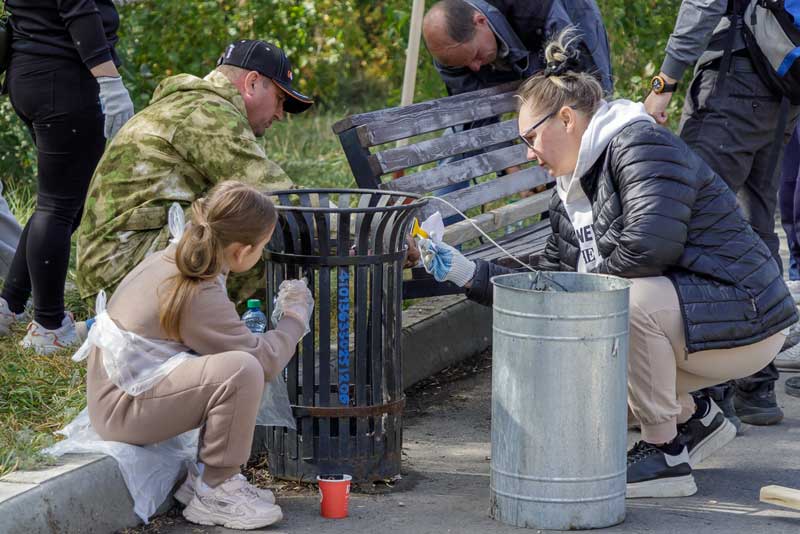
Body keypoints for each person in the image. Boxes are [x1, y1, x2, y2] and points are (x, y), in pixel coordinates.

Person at [407, 29, 796, 498]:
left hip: (745, 316)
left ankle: (666, 453)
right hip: (698, 322)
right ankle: (696, 419)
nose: (529, 155)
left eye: (531, 138)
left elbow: (650, 248)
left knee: (619, 306)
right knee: (589, 353)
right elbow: (548, 280)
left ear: (566, 118)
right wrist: (465, 271)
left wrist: (575, 301)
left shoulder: (640, 146)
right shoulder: (571, 190)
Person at [85, 181, 313, 529]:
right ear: (241, 252)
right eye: (262, 248)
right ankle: (216, 489)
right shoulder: (195, 288)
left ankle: (203, 481)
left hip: (118, 396)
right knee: (242, 370)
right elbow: (263, 360)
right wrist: (295, 318)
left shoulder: (179, 257)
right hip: (122, 410)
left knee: (237, 364)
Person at [644, 0, 800, 427]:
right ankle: (755, 384)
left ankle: (706, 391)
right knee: (755, 225)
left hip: (736, 79)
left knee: (690, 221)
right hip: (782, 83)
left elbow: (703, 3)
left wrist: (665, 79)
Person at [75, 39, 312, 316]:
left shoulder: (195, 104)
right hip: (122, 276)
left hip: (117, 267)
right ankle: (246, 324)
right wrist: (354, 226)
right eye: (280, 100)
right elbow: (277, 194)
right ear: (251, 83)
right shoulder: (205, 113)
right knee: (253, 218)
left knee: (245, 210)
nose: (280, 115)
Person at [0, 0, 134, 354]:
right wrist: (110, 81)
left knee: (63, 201)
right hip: (62, 77)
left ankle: (10, 304)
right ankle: (49, 325)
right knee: (59, 206)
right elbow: (77, 7)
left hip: (29, 72)